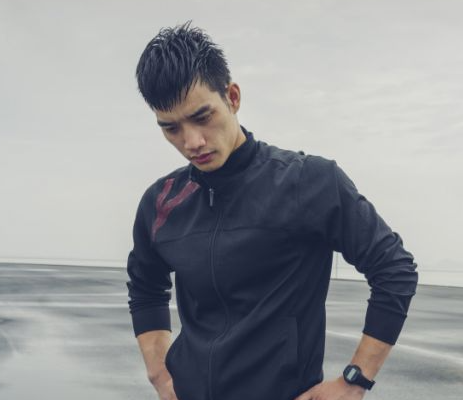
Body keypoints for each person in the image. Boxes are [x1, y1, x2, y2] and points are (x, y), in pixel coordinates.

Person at [126, 22, 418, 400]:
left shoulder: (308, 181)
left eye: (202, 117)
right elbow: (145, 286)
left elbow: (394, 268)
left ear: (232, 97)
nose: (192, 142)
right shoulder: (162, 202)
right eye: (171, 128)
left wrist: (355, 381)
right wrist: (159, 373)